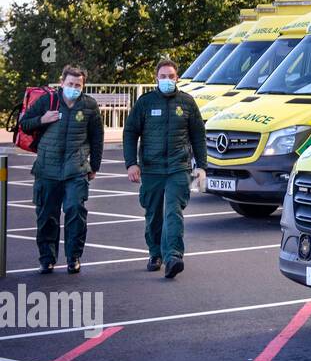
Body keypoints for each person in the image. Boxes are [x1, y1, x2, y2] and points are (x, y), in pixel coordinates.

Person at [123, 57, 207, 279]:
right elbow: (130, 133)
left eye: (171, 76)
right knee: (153, 215)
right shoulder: (145, 102)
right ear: (156, 78)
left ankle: (173, 257)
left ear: (177, 77)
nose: (167, 80)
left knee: (173, 212)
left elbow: (198, 136)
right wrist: (131, 163)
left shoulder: (187, 103)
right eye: (163, 76)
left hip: (178, 168)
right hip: (151, 169)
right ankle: (155, 253)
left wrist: (202, 167)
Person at [19, 65, 104, 274]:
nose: (73, 88)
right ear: (62, 82)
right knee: (47, 215)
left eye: (78, 85)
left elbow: (97, 138)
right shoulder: (47, 101)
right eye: (70, 84)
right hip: (47, 169)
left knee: (76, 211)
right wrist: (42, 119)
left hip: (76, 169)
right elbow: (24, 124)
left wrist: (94, 166)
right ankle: (47, 258)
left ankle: (73, 257)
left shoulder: (89, 105)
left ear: (83, 85)